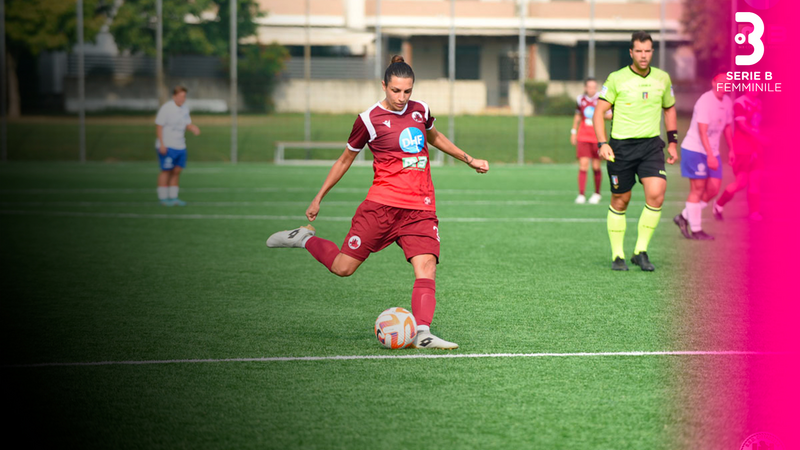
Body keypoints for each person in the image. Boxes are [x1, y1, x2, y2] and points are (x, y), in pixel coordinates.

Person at [266, 55, 489, 349]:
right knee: (343, 267)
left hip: (420, 207)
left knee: (427, 266)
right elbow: (345, 160)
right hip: (381, 207)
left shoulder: (421, 111)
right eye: (396, 91)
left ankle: (422, 333)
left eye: (407, 91)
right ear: (384, 85)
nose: (402, 97)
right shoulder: (368, 120)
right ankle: (304, 238)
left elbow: (435, 138)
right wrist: (319, 197)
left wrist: (468, 159)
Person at [593, 31, 678, 271]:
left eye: (647, 51)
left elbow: (669, 109)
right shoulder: (616, 79)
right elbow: (598, 113)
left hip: (651, 145)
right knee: (621, 200)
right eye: (638, 51)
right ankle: (618, 255)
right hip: (620, 147)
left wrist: (672, 143)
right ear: (631, 52)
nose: (643, 55)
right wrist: (602, 143)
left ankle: (641, 251)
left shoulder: (662, 78)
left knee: (657, 193)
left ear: (652, 52)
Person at [673, 72, 734, 240]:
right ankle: (697, 229)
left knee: (714, 188)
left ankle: (684, 216)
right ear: (714, 83)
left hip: (711, 152)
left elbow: (728, 127)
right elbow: (702, 132)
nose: (724, 86)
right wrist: (710, 156)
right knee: (698, 189)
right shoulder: (705, 102)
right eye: (721, 83)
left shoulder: (727, 102)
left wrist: (732, 149)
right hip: (695, 150)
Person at [712, 89, 765, 221]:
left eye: (758, 84)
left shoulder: (759, 103)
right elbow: (742, 126)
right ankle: (718, 204)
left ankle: (754, 213)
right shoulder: (739, 103)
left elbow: (756, 124)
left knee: (755, 181)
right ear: (748, 86)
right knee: (741, 183)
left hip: (755, 149)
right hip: (742, 149)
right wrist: (759, 137)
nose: (756, 87)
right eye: (753, 84)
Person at [155, 86, 200, 206]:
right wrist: (162, 144)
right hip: (168, 145)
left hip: (180, 146)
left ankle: (174, 197)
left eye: (184, 96)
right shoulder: (166, 108)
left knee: (177, 171)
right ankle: (163, 198)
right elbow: (159, 126)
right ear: (173, 96)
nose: (182, 99)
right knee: (166, 171)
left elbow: (186, 124)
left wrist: (192, 128)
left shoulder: (185, 109)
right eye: (179, 96)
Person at [571, 78, 611, 204]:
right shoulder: (580, 99)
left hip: (597, 137)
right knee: (583, 165)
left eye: (594, 87)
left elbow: (610, 114)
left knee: (596, 166)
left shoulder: (601, 99)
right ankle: (581, 194)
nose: (592, 89)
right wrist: (573, 131)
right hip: (583, 136)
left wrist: (599, 116)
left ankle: (597, 193)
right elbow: (578, 115)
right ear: (585, 88)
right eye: (589, 87)